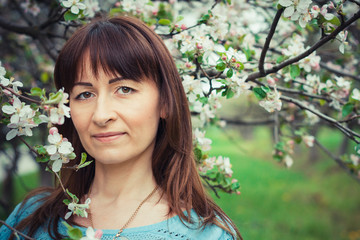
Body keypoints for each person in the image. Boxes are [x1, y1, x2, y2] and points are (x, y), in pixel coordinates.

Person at [0, 16, 242, 240]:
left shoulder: (208, 235)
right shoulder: (28, 220)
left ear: (165, 103)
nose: (102, 115)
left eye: (124, 89)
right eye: (85, 94)